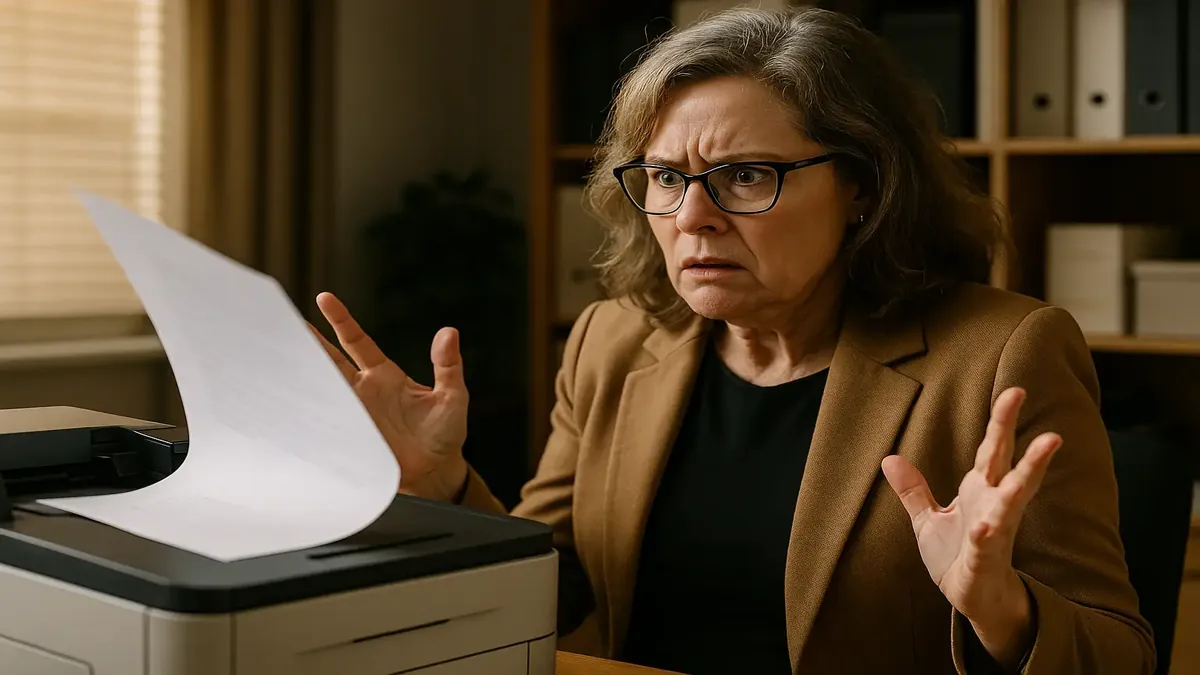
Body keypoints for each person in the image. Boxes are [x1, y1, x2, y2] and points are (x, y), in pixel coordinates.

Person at [312, 7, 1154, 675]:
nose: (693, 217)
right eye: (666, 178)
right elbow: (556, 584)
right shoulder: (613, 339)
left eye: (746, 175)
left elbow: (1121, 653)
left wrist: (1003, 608)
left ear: (863, 186)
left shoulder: (1004, 354)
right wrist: (445, 488)